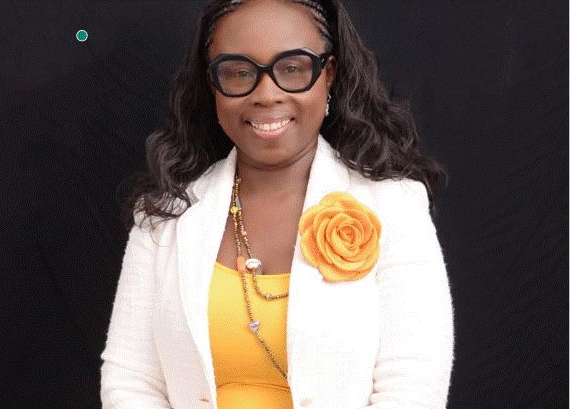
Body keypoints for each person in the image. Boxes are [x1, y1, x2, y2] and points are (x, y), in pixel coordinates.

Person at [100, 0, 454, 407]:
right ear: (212, 84)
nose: (267, 95)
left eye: (292, 68)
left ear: (329, 75)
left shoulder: (395, 206)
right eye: (239, 72)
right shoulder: (166, 214)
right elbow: (132, 379)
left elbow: (412, 387)